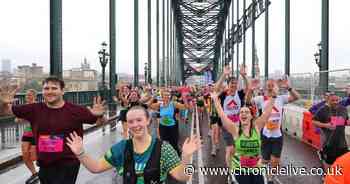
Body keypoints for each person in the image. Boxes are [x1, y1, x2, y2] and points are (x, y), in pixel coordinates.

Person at [0, 76, 106, 184]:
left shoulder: (76, 110)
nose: (50, 91)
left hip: (67, 164)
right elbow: (6, 112)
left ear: (62, 91)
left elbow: (100, 122)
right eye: (46, 88)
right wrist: (3, 103)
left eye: (54, 88)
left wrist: (101, 115)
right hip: (44, 165)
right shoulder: (34, 109)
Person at [66, 105, 201, 184]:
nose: (135, 125)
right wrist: (80, 153)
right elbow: (95, 167)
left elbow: (184, 176)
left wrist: (186, 157)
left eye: (139, 120)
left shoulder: (164, 149)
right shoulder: (121, 148)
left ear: (148, 121)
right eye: (130, 122)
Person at [211, 89, 276, 184]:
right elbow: (222, 114)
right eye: (241, 112)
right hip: (240, 169)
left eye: (247, 112)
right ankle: (231, 177)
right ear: (239, 117)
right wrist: (215, 100)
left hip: (256, 168)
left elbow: (267, 113)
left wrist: (273, 97)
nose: (244, 114)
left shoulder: (257, 127)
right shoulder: (235, 129)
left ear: (251, 116)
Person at [252, 78, 300, 184]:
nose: (270, 86)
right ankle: (260, 173)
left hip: (277, 135)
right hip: (265, 134)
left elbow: (297, 97)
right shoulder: (261, 99)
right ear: (265, 87)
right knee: (264, 161)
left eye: (272, 85)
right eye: (268, 85)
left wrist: (289, 87)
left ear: (275, 86)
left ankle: (270, 179)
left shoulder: (281, 98)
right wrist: (251, 89)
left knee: (275, 162)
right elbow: (247, 101)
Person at [214, 65, 250, 168]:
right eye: (232, 83)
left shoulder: (239, 94)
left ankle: (238, 165)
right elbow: (216, 89)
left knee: (238, 148)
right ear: (228, 84)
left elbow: (249, 87)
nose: (234, 85)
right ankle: (230, 171)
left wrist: (244, 75)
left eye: (235, 83)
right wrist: (224, 75)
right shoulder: (224, 95)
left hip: (239, 125)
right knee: (230, 149)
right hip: (227, 126)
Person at [312, 92, 349, 173]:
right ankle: (327, 177)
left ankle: (338, 177)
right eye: (333, 100)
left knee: (344, 162)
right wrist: (325, 125)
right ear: (328, 100)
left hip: (342, 142)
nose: (335, 102)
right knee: (329, 162)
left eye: (337, 100)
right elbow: (313, 121)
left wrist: (348, 122)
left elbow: (345, 121)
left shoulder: (343, 109)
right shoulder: (323, 109)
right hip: (329, 143)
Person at [149, 89, 190, 155]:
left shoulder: (173, 104)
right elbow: (149, 105)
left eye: (168, 95)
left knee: (174, 144)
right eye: (165, 95)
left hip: (172, 127)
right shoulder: (160, 104)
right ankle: (166, 158)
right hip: (163, 127)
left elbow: (185, 107)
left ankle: (177, 157)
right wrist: (153, 97)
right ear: (162, 96)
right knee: (163, 144)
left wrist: (184, 98)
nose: (167, 96)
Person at [14, 89, 39, 184]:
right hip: (27, 132)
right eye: (27, 95)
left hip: (36, 132)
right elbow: (16, 120)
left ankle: (45, 171)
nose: (28, 97)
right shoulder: (24, 107)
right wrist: (21, 117)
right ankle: (34, 174)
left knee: (33, 156)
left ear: (35, 96)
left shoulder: (37, 106)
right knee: (25, 154)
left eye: (30, 95)